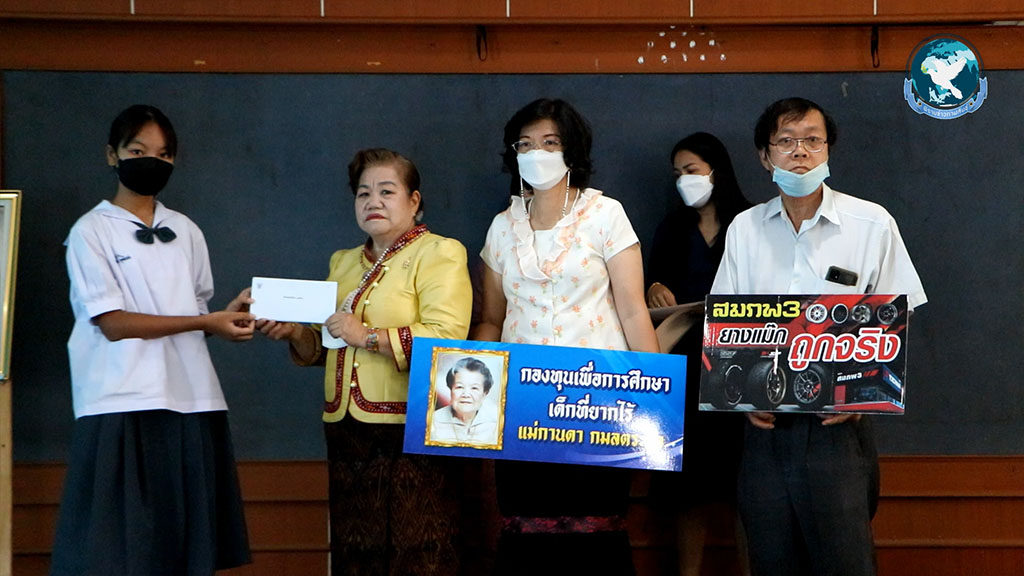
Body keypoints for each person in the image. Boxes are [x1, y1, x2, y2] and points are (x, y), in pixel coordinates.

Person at [711, 97, 927, 576]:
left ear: (828, 150)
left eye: (813, 140)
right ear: (764, 156)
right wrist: (742, 397)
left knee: (845, 562)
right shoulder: (745, 229)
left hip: (838, 427)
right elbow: (725, 321)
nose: (800, 152)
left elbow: (899, 315)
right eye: (786, 141)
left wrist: (865, 391)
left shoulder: (871, 223)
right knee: (770, 560)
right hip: (764, 427)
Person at [52, 105, 255, 576]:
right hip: (121, 399)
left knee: (182, 547)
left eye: (163, 154)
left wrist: (227, 316)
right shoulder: (90, 231)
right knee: (119, 551)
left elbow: (197, 311)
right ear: (112, 155)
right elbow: (113, 323)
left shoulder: (186, 229)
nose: (151, 162)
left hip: (192, 399)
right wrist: (206, 322)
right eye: (138, 150)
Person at [254, 148, 473, 576]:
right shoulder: (342, 262)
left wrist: (368, 336)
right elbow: (327, 345)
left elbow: (447, 338)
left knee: (416, 548)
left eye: (387, 191)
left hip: (409, 429)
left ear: (414, 200)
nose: (373, 201)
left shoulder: (439, 252)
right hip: (346, 430)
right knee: (356, 550)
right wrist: (295, 332)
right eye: (363, 193)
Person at [473, 98, 659, 575]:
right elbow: (491, 318)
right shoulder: (502, 227)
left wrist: (659, 398)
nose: (536, 153)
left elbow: (633, 309)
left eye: (549, 143)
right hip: (522, 404)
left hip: (599, 401)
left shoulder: (606, 214)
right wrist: (476, 394)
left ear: (571, 150)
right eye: (525, 145)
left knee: (595, 532)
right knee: (526, 531)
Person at [646, 132, 751, 576]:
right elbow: (650, 288)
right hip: (684, 366)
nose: (683, 181)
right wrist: (654, 288)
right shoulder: (672, 227)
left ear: (716, 171)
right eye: (677, 174)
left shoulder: (750, 222)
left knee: (745, 486)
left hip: (741, 365)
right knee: (687, 487)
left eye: (691, 171)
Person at [430, 356, 499, 444]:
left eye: (474, 388)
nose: (466, 395)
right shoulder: (432, 421)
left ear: (484, 393)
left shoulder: (497, 423)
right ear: (450, 389)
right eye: (459, 387)